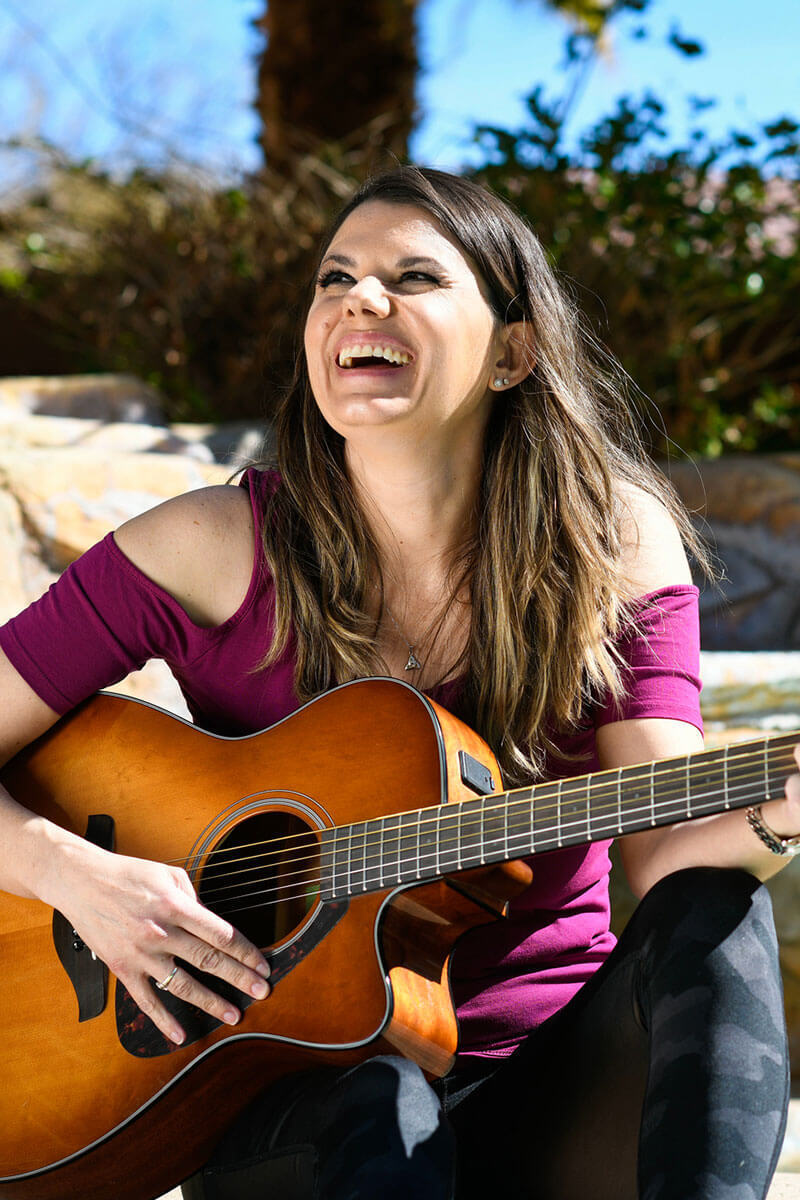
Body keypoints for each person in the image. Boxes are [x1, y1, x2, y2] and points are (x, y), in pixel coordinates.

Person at [1, 165, 799, 1200]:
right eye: (335, 278)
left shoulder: (611, 542)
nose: (356, 300)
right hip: (297, 1104)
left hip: (547, 1078)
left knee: (716, 911)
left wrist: (775, 818)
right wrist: (80, 879)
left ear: (512, 351)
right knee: (380, 1092)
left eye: (412, 276)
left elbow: (657, 854)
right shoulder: (206, 546)